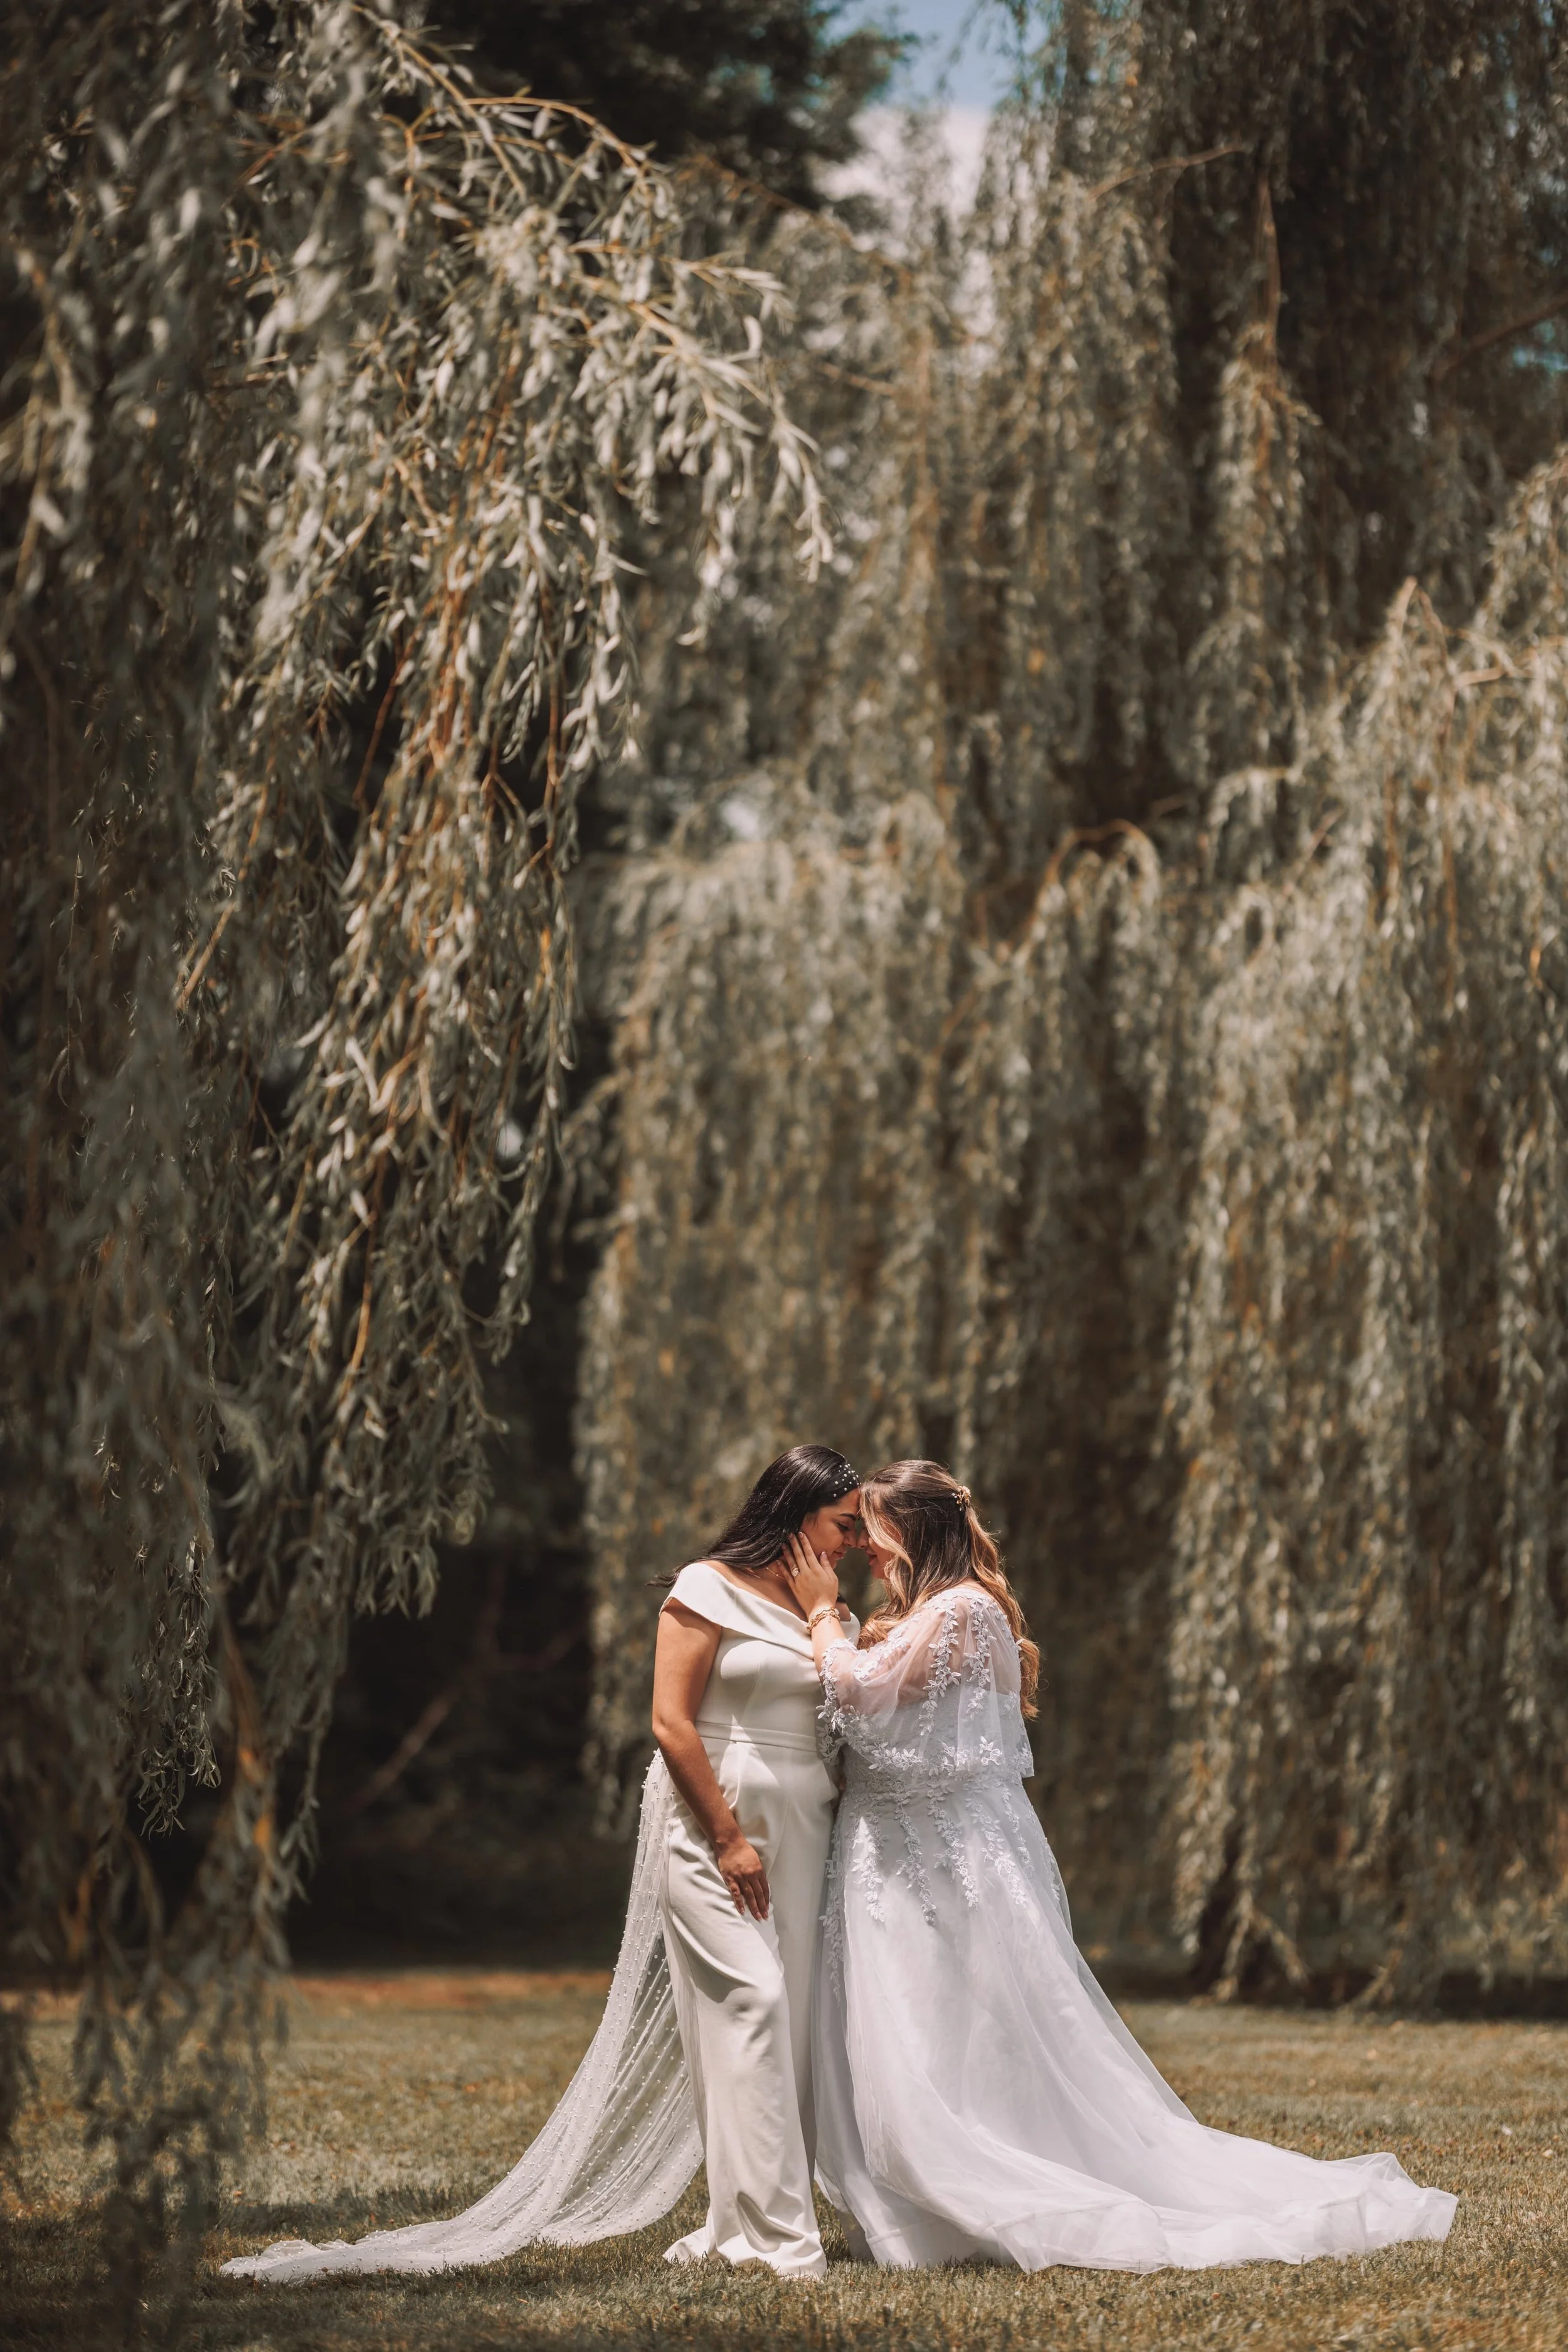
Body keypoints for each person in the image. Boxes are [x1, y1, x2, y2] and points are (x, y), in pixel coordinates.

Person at [785, 1459, 1458, 2274]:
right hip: (891, 1857)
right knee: (900, 2025)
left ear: (915, 1530)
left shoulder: (963, 1611)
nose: (862, 1548)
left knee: (945, 2030)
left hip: (933, 1860)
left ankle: (972, 2197)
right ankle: (916, 2213)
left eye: (874, 1530)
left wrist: (825, 1618)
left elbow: (859, 1692)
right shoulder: (932, 1612)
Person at [221, 1444, 862, 2287]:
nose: (853, 1540)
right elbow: (671, 1724)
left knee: (767, 2027)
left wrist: (836, 1619)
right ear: (795, 1510)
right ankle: (784, 2241)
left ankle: (734, 2224)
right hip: (716, 1827)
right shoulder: (706, 1587)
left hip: (806, 1827)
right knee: (755, 2000)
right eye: (843, 1523)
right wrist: (728, 1837)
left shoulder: (834, 1616)